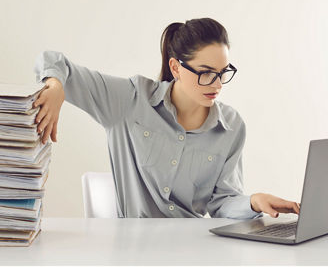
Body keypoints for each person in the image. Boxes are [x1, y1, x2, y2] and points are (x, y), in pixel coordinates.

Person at [33, 17, 300, 219]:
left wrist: (253, 201)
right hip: (133, 252)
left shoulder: (231, 127)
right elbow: (52, 60)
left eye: (223, 72)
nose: (217, 84)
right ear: (176, 67)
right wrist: (56, 86)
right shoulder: (130, 100)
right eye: (206, 72)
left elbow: (221, 203)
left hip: (194, 251)